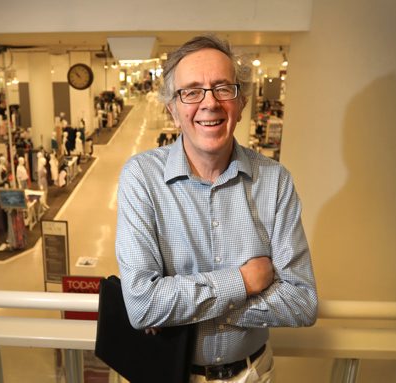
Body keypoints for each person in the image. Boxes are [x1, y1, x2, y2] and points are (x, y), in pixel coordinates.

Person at [115, 35, 317, 383]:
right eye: (191, 91)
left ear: (240, 103)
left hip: (252, 374)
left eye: (223, 88)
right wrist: (243, 281)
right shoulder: (142, 178)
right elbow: (143, 305)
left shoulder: (274, 181)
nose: (209, 103)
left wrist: (180, 307)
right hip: (172, 374)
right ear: (173, 110)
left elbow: (301, 301)